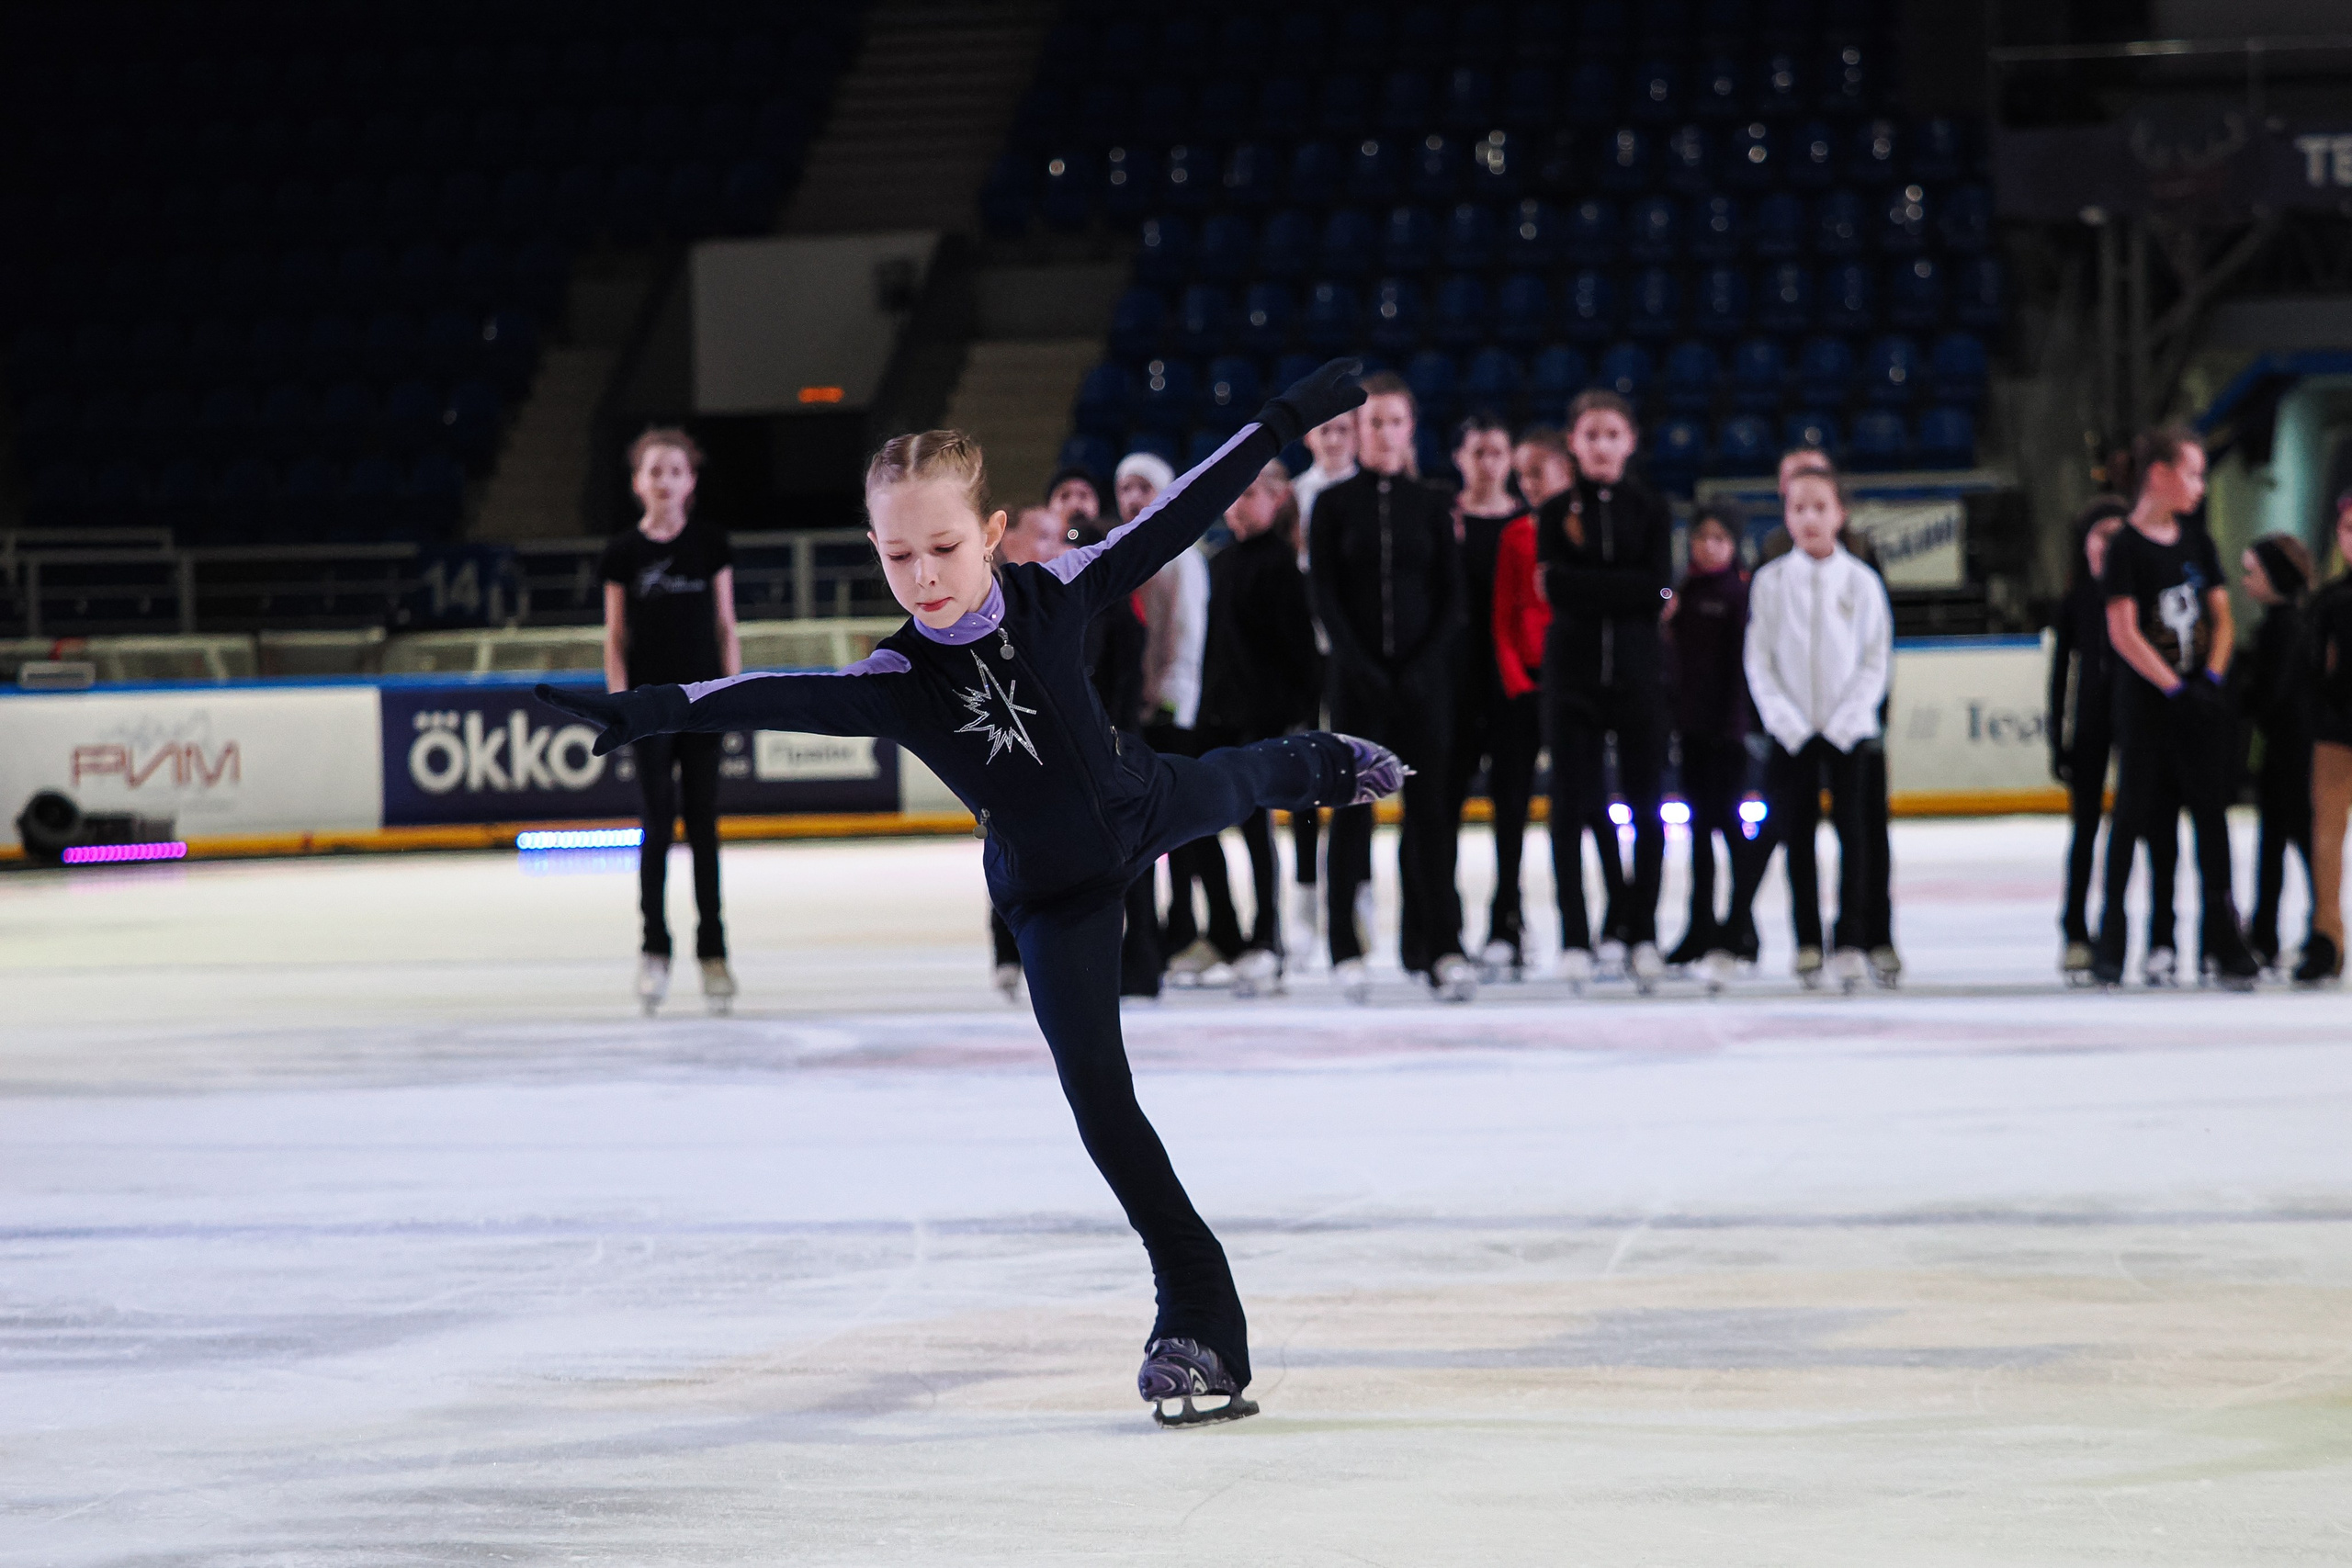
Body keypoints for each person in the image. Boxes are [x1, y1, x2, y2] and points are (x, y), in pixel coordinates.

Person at [538, 362, 1393, 1428]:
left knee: (1240, 780)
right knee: (1101, 1103)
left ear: (991, 532)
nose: (923, 574)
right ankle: (1200, 1319)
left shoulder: (1057, 589)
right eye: (898, 555)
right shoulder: (898, 683)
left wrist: (1281, 418)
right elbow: (764, 695)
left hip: (1139, 803)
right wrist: (645, 709)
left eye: (943, 547)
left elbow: (1182, 512)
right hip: (1051, 899)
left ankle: (1319, 762)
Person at [1308, 372, 1474, 1002]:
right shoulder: (1331, 505)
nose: (1383, 432)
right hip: (1357, 686)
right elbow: (1325, 595)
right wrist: (1364, 668)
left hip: (1425, 687)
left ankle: (1440, 945)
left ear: (1411, 430)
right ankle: (1345, 949)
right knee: (1351, 817)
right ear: (1356, 430)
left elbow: (1452, 597)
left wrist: (1421, 668)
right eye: (1372, 422)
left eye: (1394, 421)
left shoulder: (1431, 504)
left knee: (1431, 816)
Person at [2091, 427, 2260, 989]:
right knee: (2132, 820)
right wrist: (2172, 688)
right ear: (2159, 474)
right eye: (2192, 473)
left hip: (2199, 707)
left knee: (2211, 821)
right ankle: (2113, 942)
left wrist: (2209, 679)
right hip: (2147, 709)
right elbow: (2124, 631)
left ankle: (2223, 941)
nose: (2200, 486)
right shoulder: (2125, 547)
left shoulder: (2197, 542)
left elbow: (2222, 617)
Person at [598, 427, 741, 1016]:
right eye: (654, 471)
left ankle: (714, 952)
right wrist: (620, 706)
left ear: (691, 482)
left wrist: (734, 694)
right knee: (656, 828)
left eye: (675, 471)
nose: (665, 481)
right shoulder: (622, 553)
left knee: (703, 827)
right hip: (648, 710)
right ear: (638, 482)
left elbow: (726, 626)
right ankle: (654, 949)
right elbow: (614, 637)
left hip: (703, 705)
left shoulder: (710, 544)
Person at [1538, 390, 1673, 992]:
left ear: (1630, 442)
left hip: (1640, 678)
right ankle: (1575, 935)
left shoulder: (1651, 508)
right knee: (1570, 807)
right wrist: (1622, 588)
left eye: (1611, 434)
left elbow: (1657, 587)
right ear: (1573, 442)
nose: (1601, 445)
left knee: (1647, 806)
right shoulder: (1553, 512)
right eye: (1590, 434)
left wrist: (1593, 585)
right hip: (1571, 680)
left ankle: (1641, 932)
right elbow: (1557, 590)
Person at [1745, 466, 1894, 989]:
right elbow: (1759, 660)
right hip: (1792, 734)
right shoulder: (1769, 582)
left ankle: (1850, 939)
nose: (1809, 518)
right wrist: (1786, 721)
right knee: (1797, 835)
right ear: (1786, 515)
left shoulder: (1861, 581)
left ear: (1840, 514)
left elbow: (1876, 658)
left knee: (1854, 834)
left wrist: (1847, 719)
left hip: (1848, 732)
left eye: (1820, 508)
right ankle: (1807, 940)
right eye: (1798, 508)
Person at [1196, 458, 1322, 993]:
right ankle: (1225, 933)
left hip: (1264, 721)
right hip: (1218, 716)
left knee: (1257, 832)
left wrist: (1293, 717)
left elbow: (1302, 656)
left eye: (1250, 494)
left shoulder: (1281, 566)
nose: (1238, 505)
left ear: (1277, 500)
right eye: (1234, 495)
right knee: (1204, 826)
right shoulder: (1220, 562)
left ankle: (1268, 935)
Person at [1126, 452, 1246, 986]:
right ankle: (1183, 930)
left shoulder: (1182, 555)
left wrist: (1173, 704)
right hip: (1146, 711)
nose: (1132, 497)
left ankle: (1215, 931)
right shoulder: (1133, 551)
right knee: (1169, 832)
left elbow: (1187, 640)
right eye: (1125, 488)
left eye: (1143, 486)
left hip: (1175, 713)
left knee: (1191, 830)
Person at [1443, 412, 1541, 976]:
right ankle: (1445, 926)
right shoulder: (1442, 520)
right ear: (1459, 457)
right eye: (1477, 452)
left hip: (1512, 688)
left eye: (1497, 452)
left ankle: (1508, 921)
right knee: (1444, 807)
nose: (1487, 463)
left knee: (1512, 808)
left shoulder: (1529, 524)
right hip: (1453, 688)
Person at [2048, 498, 2153, 984]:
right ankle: (2074, 928)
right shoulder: (2077, 599)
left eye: (2116, 536)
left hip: (2136, 722)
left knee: (2142, 825)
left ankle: (2151, 931)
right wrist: (2058, 737)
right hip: (2091, 724)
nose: (2108, 546)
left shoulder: (2141, 593)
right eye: (2100, 536)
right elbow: (2061, 673)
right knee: (2085, 829)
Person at [1663, 499, 1763, 981]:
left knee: (1729, 831)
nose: (1708, 546)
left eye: (1719, 539)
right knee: (1700, 835)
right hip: (1693, 731)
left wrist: (1732, 726)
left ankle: (1742, 925)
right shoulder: (1683, 592)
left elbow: (1741, 670)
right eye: (1701, 538)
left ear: (1734, 544)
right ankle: (1701, 924)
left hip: (1727, 734)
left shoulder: (1739, 595)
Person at [986, 506, 1076, 999]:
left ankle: (1054, 954)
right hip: (1007, 743)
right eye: (1042, 535)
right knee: (1010, 847)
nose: (1053, 546)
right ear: (1006, 537)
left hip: (1060, 744)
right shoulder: (980, 600)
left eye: (1058, 537)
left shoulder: (1060, 595)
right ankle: (1007, 951)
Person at [1284, 411, 1358, 941]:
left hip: (1354, 651)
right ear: (1310, 436)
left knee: (1355, 766)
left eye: (1342, 430)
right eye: (1324, 429)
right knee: (1306, 767)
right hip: (1305, 650)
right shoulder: (1295, 495)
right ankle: (1307, 885)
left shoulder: (1367, 493)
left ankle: (1360, 886)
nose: (1333, 439)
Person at [2236, 533, 2316, 971]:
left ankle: (2311, 928)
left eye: (2251, 572)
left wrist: (2241, 703)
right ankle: (2269, 930)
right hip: (2286, 752)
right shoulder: (2282, 624)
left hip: (2293, 754)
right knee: (2279, 844)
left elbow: (2273, 695)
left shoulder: (2286, 628)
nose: (2245, 581)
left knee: (2294, 840)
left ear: (2274, 576)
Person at [2297, 491, 2352, 985]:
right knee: (2327, 838)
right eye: (2349, 529)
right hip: (2336, 734)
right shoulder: (2330, 602)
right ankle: (2327, 934)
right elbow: (2312, 671)